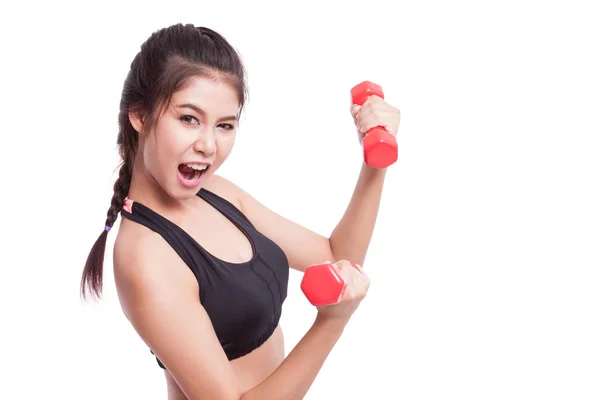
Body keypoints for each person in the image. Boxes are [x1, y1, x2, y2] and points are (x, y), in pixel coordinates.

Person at [80, 23, 400, 400]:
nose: (208, 145)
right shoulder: (145, 258)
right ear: (140, 115)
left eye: (225, 125)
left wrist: (374, 162)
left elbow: (337, 258)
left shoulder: (215, 193)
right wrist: (331, 322)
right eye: (188, 119)